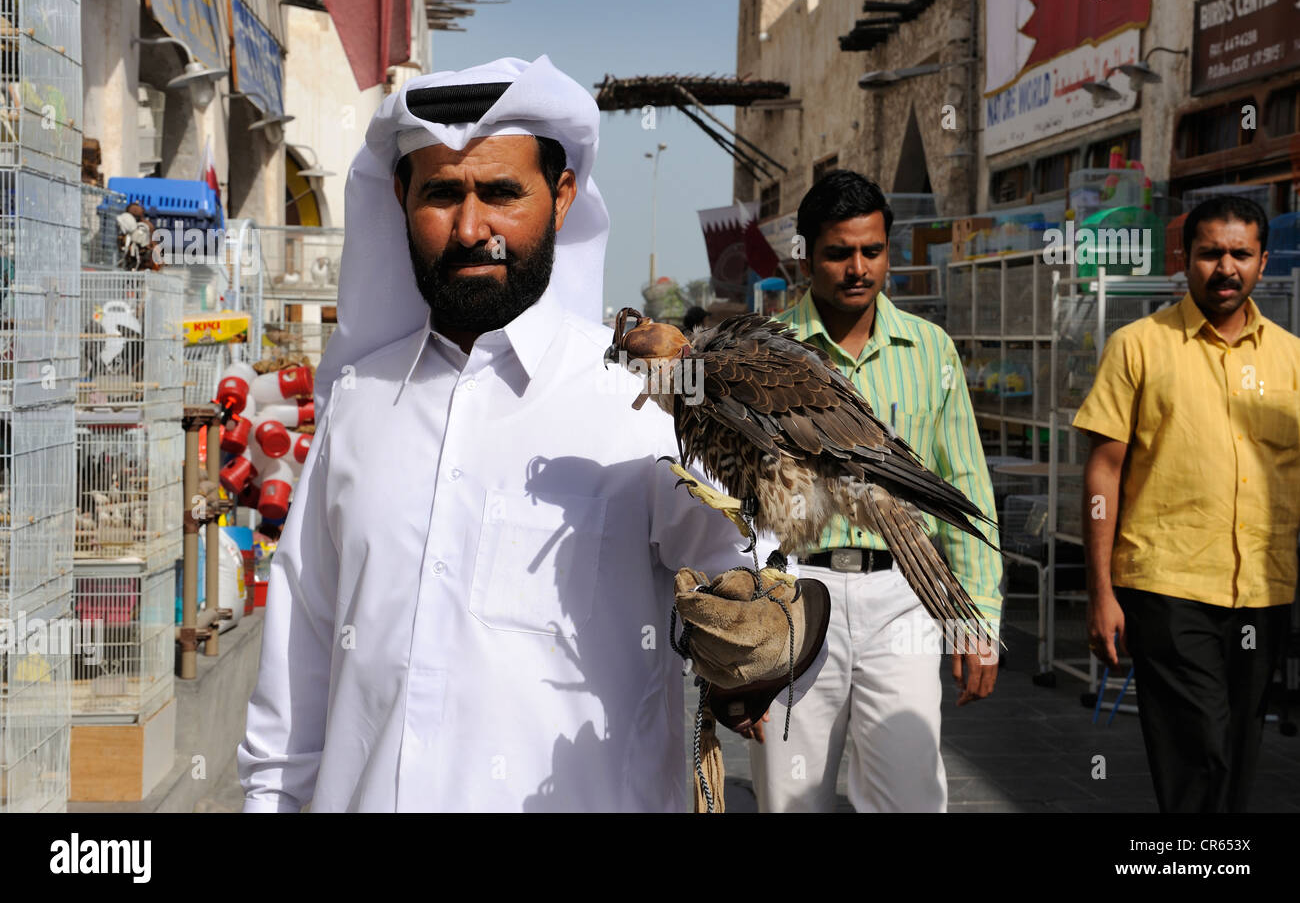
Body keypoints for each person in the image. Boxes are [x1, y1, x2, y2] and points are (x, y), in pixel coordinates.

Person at [236, 56, 799, 812]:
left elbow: (762, 595)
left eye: (501, 193)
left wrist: (759, 654)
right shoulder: (358, 405)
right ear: (401, 197)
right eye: (441, 193)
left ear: (562, 198)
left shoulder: (637, 403)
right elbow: (295, 684)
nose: (472, 229)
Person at [748, 170, 1003, 812]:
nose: (858, 268)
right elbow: (734, 498)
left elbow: (964, 486)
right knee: (790, 798)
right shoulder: (763, 357)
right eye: (838, 253)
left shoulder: (931, 351)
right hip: (796, 599)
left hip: (904, 597)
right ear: (805, 254)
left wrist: (978, 620)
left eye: (872, 250)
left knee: (910, 797)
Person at [1076, 195, 1299, 813]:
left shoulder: (1291, 358)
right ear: (1184, 258)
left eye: (1240, 254)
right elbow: (1103, 471)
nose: (1225, 268)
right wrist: (1100, 592)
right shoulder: (1138, 346)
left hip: (1263, 586)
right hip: (1168, 585)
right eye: (1210, 253)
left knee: (1238, 747)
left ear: (1262, 260)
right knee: (1195, 748)